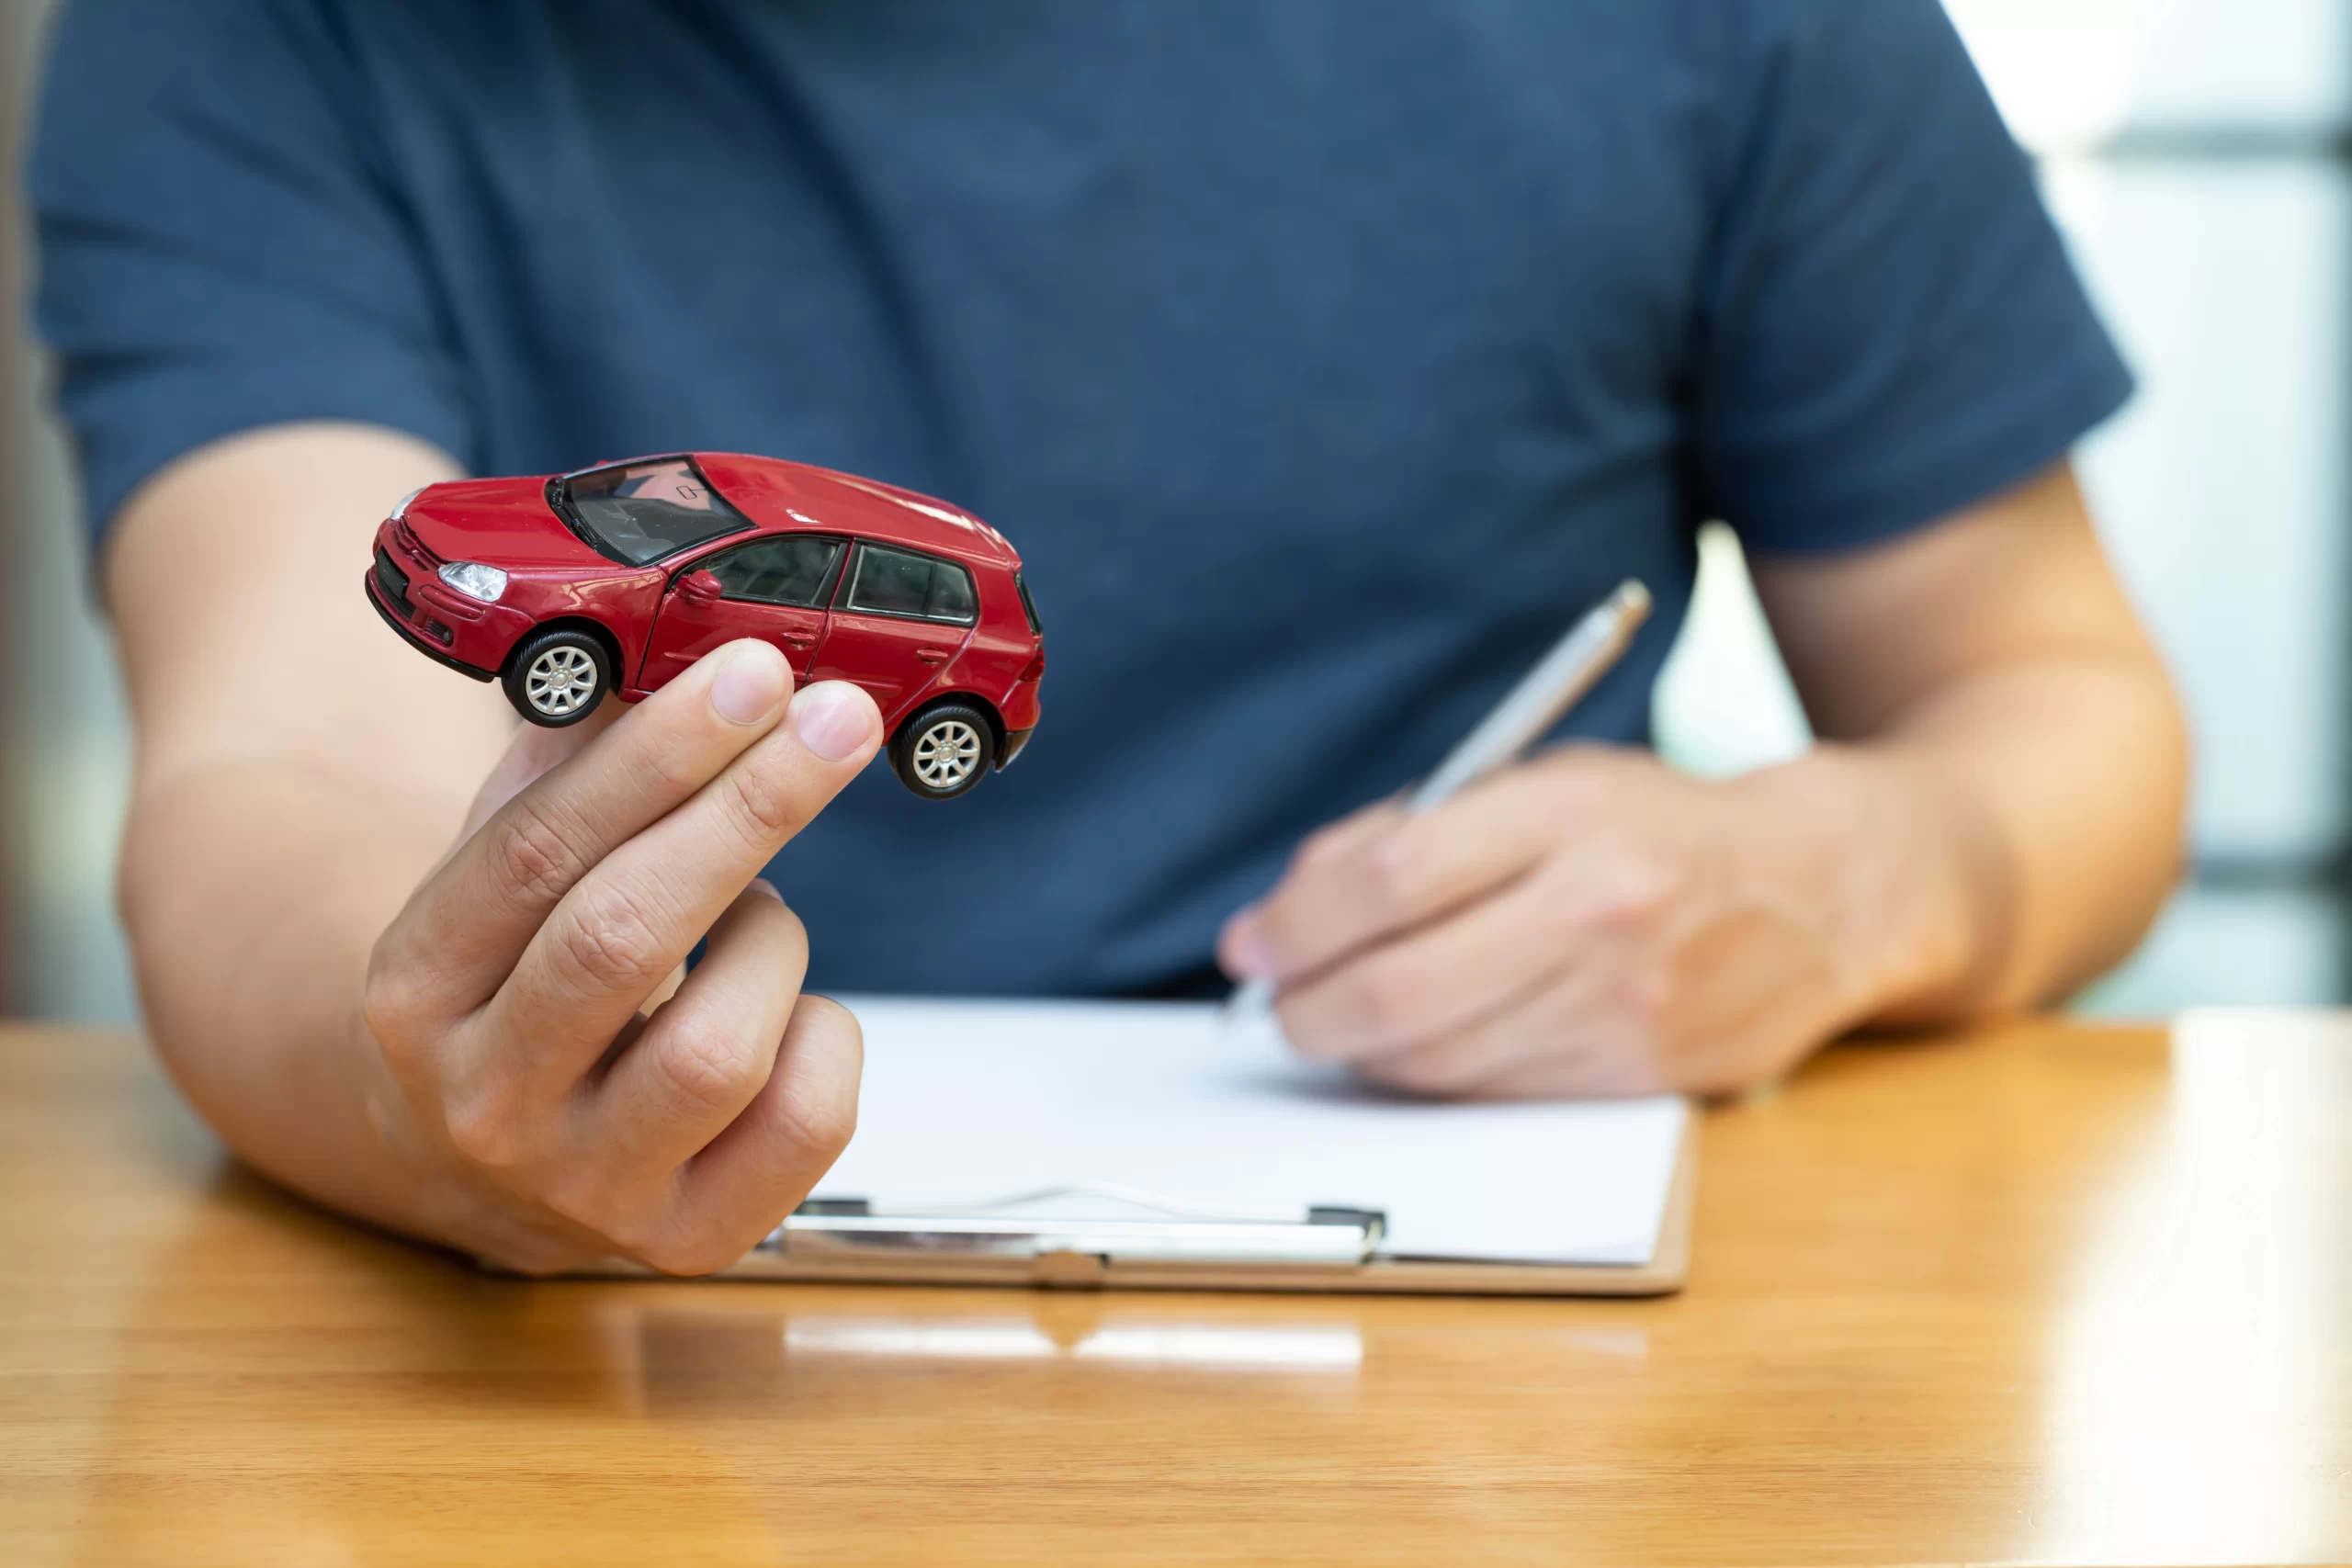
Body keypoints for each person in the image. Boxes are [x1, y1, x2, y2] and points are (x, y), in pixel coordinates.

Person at [29, 0, 2187, 1274]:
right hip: (613, 1388)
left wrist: (1843, 874)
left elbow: (2054, 708)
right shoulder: (261, 28)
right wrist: (442, 1097)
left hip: (1472, 1354)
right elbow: (273, 780)